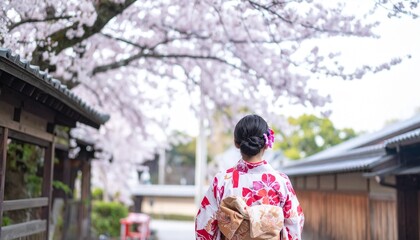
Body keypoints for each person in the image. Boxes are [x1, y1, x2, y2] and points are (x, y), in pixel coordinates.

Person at [195, 114, 304, 240]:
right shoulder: (281, 181)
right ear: (266, 144)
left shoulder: (222, 181)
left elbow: (203, 225)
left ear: (237, 143)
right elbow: (295, 222)